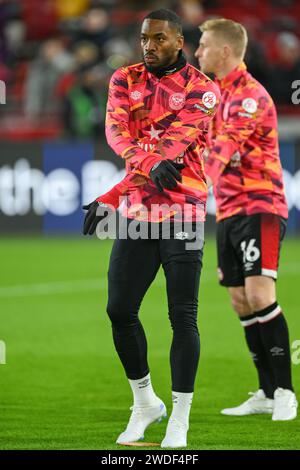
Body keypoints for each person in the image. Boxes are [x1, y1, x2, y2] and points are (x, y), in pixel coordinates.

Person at [83, 9, 220, 448]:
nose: (149, 45)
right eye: (145, 38)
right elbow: (116, 133)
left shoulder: (203, 90)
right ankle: (145, 403)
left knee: (183, 316)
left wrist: (113, 191)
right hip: (138, 212)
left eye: (159, 38)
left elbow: (171, 148)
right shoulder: (124, 79)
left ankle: (180, 417)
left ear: (179, 41)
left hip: (184, 212)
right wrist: (126, 185)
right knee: (119, 310)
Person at [194, 18, 297, 420]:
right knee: (240, 301)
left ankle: (286, 391)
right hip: (230, 211)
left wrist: (194, 183)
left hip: (260, 205)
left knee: (260, 295)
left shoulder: (250, 96)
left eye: (203, 45)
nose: (198, 52)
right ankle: (267, 392)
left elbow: (223, 147)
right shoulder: (210, 95)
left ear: (224, 50)